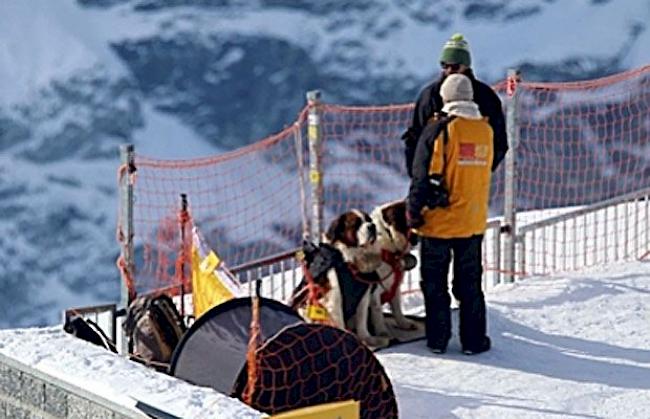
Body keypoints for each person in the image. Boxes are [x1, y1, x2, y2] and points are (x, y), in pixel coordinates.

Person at [406, 73, 494, 355]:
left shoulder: (438, 130)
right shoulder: (485, 131)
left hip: (439, 223)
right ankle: (474, 340)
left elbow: (421, 176)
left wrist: (412, 212)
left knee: (435, 284)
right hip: (473, 220)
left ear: (445, 98)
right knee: (469, 284)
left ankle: (438, 340)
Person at [402, 33, 508, 177]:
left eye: (455, 66)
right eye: (445, 65)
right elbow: (414, 138)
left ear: (466, 66)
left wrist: (482, 171)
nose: (449, 71)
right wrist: (419, 178)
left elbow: (500, 141)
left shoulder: (485, 97)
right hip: (434, 178)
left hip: (471, 176)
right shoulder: (430, 96)